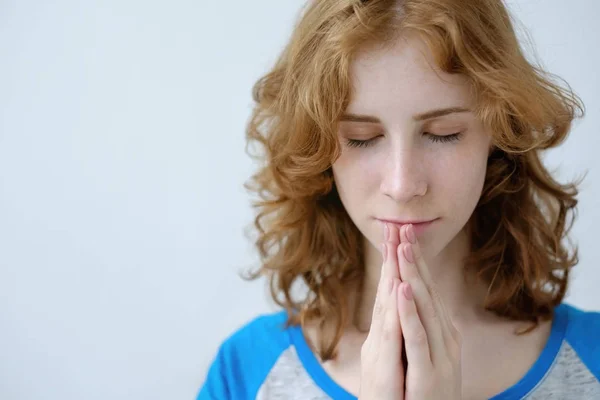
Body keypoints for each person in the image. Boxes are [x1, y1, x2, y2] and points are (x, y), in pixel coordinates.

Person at [198, 0, 600, 398]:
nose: (402, 184)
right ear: (318, 147)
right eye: (362, 138)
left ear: (498, 130)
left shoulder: (591, 358)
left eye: (443, 133)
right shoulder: (247, 372)